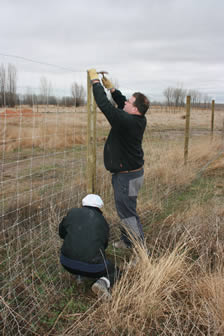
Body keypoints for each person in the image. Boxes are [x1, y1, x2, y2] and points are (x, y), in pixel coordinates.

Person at [88, 69, 150, 249]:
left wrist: (95, 82)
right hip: (133, 173)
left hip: (126, 177)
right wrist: (113, 90)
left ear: (135, 109)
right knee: (127, 210)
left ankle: (139, 250)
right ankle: (127, 241)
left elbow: (104, 105)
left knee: (127, 214)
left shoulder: (126, 121)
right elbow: (122, 102)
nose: (126, 102)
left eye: (130, 101)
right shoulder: (139, 118)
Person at [59, 194, 119, 299]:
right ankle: (102, 283)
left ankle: (80, 277)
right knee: (114, 271)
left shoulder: (72, 213)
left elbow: (61, 233)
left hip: (66, 262)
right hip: (93, 267)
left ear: (83, 204)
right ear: (100, 207)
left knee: (79, 250)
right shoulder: (102, 221)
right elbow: (103, 246)